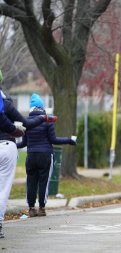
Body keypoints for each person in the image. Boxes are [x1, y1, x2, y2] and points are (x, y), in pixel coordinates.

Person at [17, 93, 76, 217]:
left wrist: (12, 145)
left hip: (31, 156)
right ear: (42, 107)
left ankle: (31, 208)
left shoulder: (26, 121)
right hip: (45, 155)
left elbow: (24, 143)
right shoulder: (48, 120)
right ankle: (42, 208)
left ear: (31, 108)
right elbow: (54, 140)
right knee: (44, 181)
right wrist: (69, 140)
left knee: (31, 182)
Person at [0, 70, 27, 239]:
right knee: (2, 188)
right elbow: (24, 123)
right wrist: (15, 129)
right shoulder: (6, 102)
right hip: (6, 145)